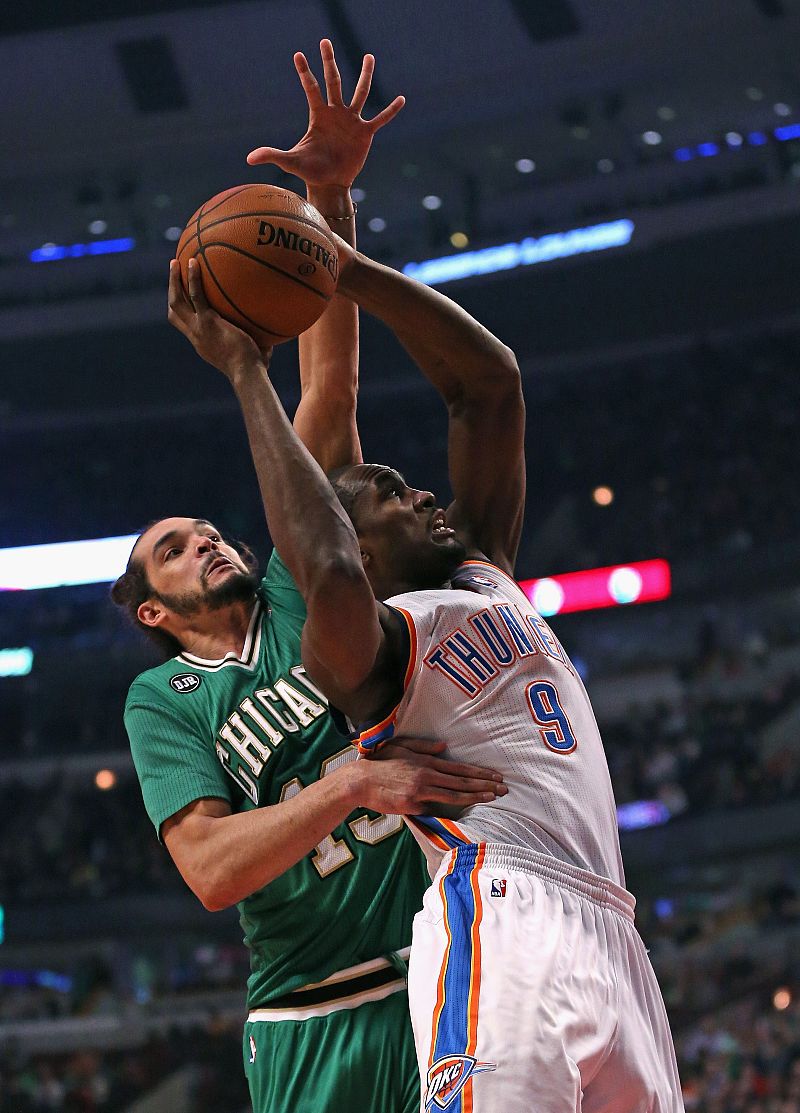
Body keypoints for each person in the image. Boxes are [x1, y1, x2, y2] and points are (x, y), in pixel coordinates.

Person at [168, 152, 685, 1110]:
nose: (421, 494)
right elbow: (323, 564)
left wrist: (344, 262)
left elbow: (491, 385)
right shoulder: (373, 654)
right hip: (501, 917)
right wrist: (245, 371)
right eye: (392, 494)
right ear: (360, 551)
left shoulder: (484, 565)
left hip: (614, 930)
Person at [114, 41, 506, 1113]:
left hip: (442, 966)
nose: (205, 542)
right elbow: (209, 870)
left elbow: (328, 387)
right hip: (309, 1021)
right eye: (174, 548)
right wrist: (349, 784)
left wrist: (325, 201)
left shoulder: (307, 580)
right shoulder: (164, 698)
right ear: (153, 609)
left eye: (205, 529)